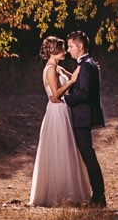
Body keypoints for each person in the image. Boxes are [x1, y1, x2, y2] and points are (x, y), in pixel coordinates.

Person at [28, 37, 91, 207]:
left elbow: (76, 80)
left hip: (64, 109)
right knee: (59, 147)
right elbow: (55, 95)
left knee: (67, 147)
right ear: (55, 51)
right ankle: (57, 193)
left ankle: (67, 191)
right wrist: (70, 82)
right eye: (63, 49)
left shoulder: (59, 68)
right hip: (56, 111)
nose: (65, 52)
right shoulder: (50, 69)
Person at [60, 30, 106, 205]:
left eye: (71, 46)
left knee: (88, 156)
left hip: (83, 116)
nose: (69, 50)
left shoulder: (86, 65)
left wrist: (65, 100)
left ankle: (99, 197)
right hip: (83, 115)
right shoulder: (87, 63)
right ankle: (97, 195)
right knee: (87, 155)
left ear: (80, 46)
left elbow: (84, 93)